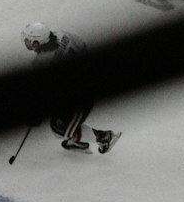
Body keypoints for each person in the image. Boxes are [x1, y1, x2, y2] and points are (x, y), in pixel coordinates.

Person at [20, 24, 121, 154]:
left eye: (28, 40)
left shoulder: (41, 62)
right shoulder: (63, 35)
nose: (25, 43)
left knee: (59, 129)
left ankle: (104, 137)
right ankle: (78, 139)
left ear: (36, 43)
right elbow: (82, 46)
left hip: (79, 96)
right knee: (60, 122)